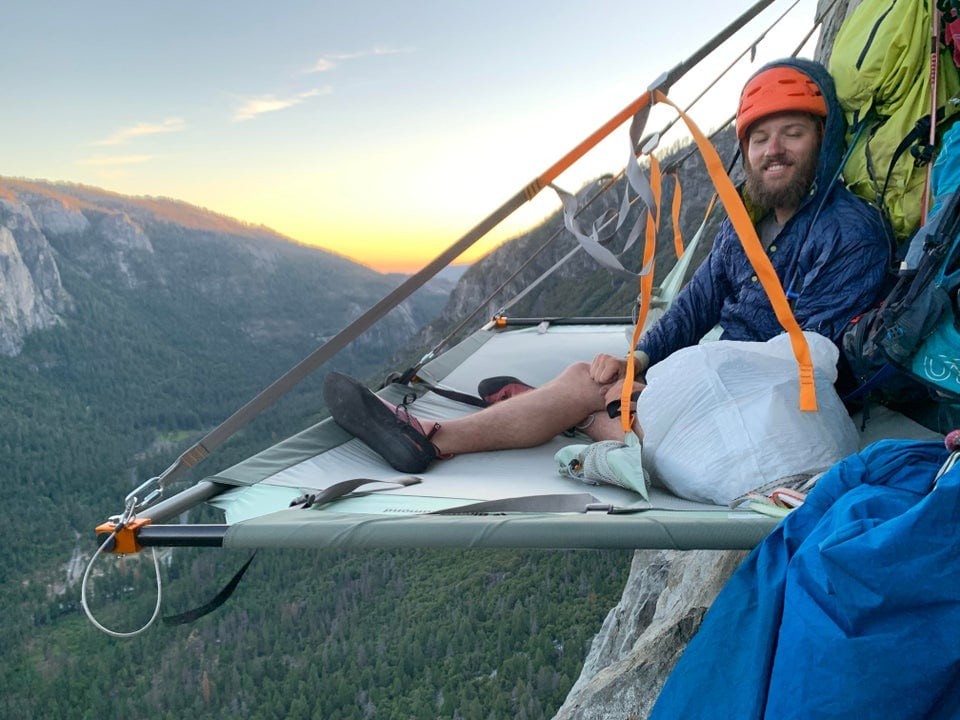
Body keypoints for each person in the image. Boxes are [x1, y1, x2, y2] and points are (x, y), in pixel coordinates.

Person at [324, 57, 890, 474]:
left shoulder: (851, 233)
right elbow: (696, 305)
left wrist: (660, 383)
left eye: (792, 133)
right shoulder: (747, 222)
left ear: (824, 138)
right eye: (760, 138)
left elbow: (802, 362)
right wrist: (640, 358)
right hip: (722, 381)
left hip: (777, 411)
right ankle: (567, 409)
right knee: (599, 379)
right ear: (744, 152)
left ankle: (434, 436)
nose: (774, 151)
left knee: (583, 387)